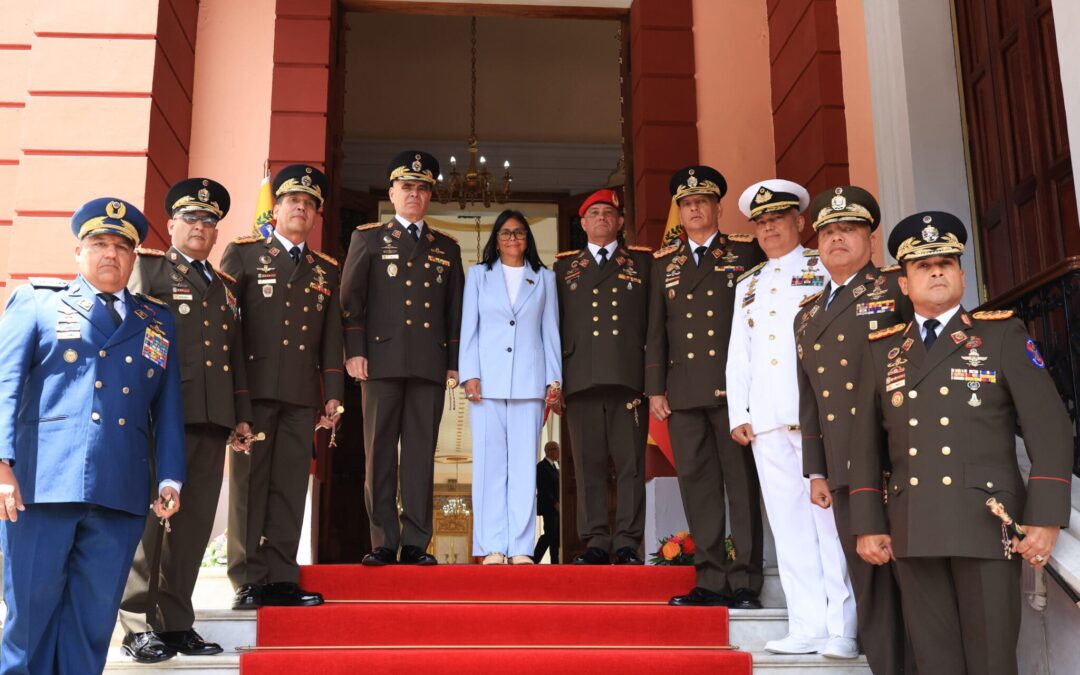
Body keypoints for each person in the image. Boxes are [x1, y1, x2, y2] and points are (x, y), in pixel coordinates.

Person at [849, 211, 1074, 674]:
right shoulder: (882, 350)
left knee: (992, 659)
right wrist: (869, 522)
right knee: (935, 661)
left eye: (946, 263)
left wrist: (1046, 518)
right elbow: (865, 444)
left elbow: (1048, 428)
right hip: (913, 523)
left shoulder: (999, 334)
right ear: (904, 284)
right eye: (922, 265)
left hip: (985, 521)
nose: (936, 270)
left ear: (962, 276)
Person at [0, 197, 185, 674]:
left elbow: (167, 407)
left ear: (134, 257)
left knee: (92, 623)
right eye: (99, 243)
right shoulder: (39, 302)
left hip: (117, 489)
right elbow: (6, 386)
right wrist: (2, 464)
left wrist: (170, 477)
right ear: (78, 253)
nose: (110, 254)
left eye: (122, 246)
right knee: (29, 621)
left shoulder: (156, 320)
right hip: (41, 486)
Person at [118, 179, 255, 663]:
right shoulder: (151, 269)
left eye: (210, 221)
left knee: (193, 529)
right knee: (151, 526)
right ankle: (136, 625)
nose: (201, 227)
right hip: (159, 418)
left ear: (218, 232)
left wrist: (239, 417)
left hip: (210, 419)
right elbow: (126, 340)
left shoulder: (223, 286)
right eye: (192, 219)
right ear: (172, 224)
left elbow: (232, 355)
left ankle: (175, 623)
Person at [727, 179, 857, 657]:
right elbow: (739, 353)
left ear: (799, 222)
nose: (768, 229)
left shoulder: (822, 266)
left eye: (777, 220)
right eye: (761, 223)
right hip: (765, 419)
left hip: (814, 418)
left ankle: (842, 626)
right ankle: (806, 625)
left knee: (827, 524)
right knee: (788, 525)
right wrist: (738, 411)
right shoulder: (749, 283)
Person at [795, 186, 914, 674]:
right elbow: (811, 400)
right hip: (846, 467)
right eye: (827, 232)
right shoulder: (808, 314)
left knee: (915, 580)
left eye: (848, 229)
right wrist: (816, 470)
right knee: (869, 586)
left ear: (871, 237)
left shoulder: (895, 288)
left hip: (900, 458)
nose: (836, 239)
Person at [221, 164, 343, 609]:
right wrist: (232, 394)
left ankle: (281, 577)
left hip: (298, 396)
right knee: (249, 487)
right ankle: (248, 578)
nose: (301, 208)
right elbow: (227, 330)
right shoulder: (244, 254)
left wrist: (332, 393)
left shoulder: (325, 269)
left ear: (316, 215)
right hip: (250, 392)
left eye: (309, 204)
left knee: (291, 485)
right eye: (293, 200)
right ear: (276, 207)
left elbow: (332, 337)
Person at [645, 165, 766, 608]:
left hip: (734, 392)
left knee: (741, 486)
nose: (695, 209)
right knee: (698, 488)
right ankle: (711, 580)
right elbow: (656, 329)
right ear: (681, 212)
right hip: (683, 392)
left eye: (702, 202)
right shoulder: (664, 264)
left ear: (716, 208)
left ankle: (747, 581)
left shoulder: (745, 253)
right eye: (687, 204)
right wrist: (655, 388)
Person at [341, 150, 464, 566]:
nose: (414, 194)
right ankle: (381, 540)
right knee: (378, 454)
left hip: (429, 366)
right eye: (407, 187)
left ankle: (415, 541)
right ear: (392, 193)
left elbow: (455, 311)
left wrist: (453, 361)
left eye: (422, 188)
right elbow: (350, 301)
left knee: (418, 455)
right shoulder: (369, 239)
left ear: (430, 197)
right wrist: (355, 352)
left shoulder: (446, 247)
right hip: (379, 363)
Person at [553, 188, 651, 565]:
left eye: (608, 214)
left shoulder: (643, 264)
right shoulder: (563, 268)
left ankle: (627, 541)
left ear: (621, 222)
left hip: (628, 377)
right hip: (581, 379)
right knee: (588, 465)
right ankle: (594, 540)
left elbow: (654, 326)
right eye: (594, 213)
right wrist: (556, 381)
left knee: (629, 466)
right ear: (583, 223)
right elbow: (553, 329)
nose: (601, 219)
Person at [459, 210, 561, 565]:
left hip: (530, 382)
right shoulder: (478, 276)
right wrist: (468, 373)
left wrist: (554, 379)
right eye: (505, 233)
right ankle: (491, 547)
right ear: (495, 239)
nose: (513, 239)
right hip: (485, 382)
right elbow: (468, 327)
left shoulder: (543, 278)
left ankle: (520, 547)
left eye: (519, 233)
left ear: (527, 239)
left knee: (523, 467)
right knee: (488, 466)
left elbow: (550, 332)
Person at [534, 441, 561, 564]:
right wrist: (555, 502)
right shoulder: (541, 466)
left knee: (556, 536)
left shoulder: (556, 466)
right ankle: (534, 559)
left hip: (558, 506)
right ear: (549, 451)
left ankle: (555, 561)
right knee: (549, 534)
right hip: (549, 506)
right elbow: (544, 487)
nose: (558, 452)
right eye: (556, 449)